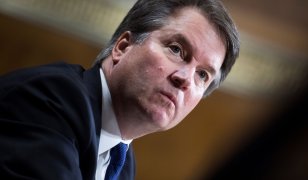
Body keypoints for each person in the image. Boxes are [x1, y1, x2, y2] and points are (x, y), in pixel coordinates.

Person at [0, 0, 239, 179]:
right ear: (123, 47)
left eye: (202, 75)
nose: (185, 79)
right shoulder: (52, 97)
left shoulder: (122, 164)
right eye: (176, 50)